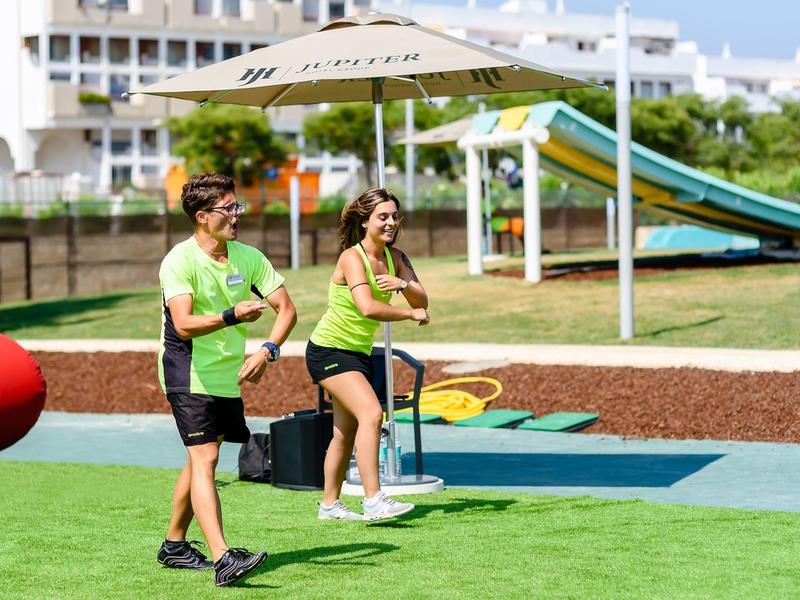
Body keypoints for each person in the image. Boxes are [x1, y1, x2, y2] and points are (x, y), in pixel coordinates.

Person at [156, 173, 297, 587]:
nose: (237, 214)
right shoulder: (178, 261)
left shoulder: (248, 257)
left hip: (226, 374)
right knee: (206, 458)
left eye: (237, 206)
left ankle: (174, 544)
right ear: (202, 216)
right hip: (187, 370)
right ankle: (223, 558)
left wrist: (267, 350)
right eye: (228, 208)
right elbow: (182, 325)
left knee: (201, 455)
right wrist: (232, 315)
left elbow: (286, 310)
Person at [305, 188, 430, 522]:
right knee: (373, 415)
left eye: (394, 216)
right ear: (364, 222)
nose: (391, 223)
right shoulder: (351, 258)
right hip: (328, 350)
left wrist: (402, 285)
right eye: (383, 217)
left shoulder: (397, 258)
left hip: (356, 354)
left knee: (344, 435)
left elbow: (422, 300)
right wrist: (407, 315)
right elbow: (367, 307)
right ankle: (374, 500)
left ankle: (329, 506)